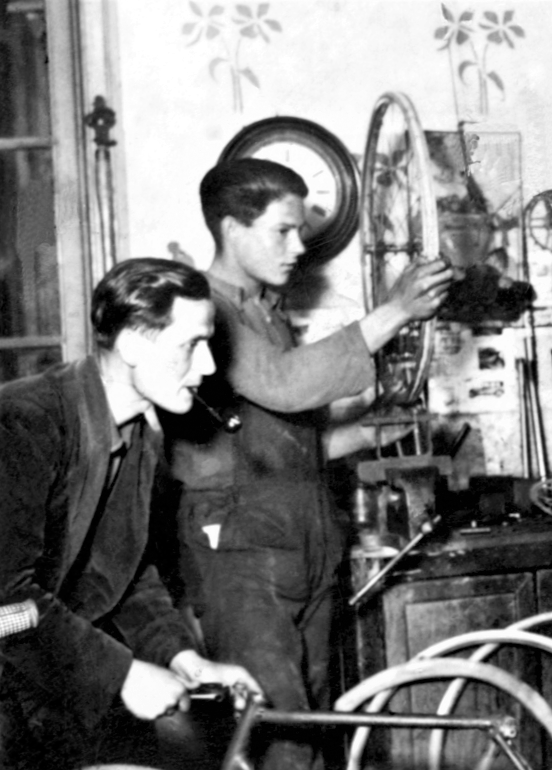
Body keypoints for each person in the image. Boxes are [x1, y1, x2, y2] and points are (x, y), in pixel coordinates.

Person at [165, 157, 453, 769]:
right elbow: (286, 386)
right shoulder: (205, 311)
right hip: (243, 554)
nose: (299, 247)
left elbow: (279, 444)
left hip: (300, 539)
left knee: (312, 724)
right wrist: (396, 310)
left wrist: (369, 435)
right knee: (281, 732)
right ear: (230, 229)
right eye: (282, 231)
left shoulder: (262, 313)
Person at [0, 257, 262, 769]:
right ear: (133, 345)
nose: (208, 366)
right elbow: (6, 600)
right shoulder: (22, 423)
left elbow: (125, 573)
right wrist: (123, 675)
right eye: (191, 344)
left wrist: (184, 659)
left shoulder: (138, 433)